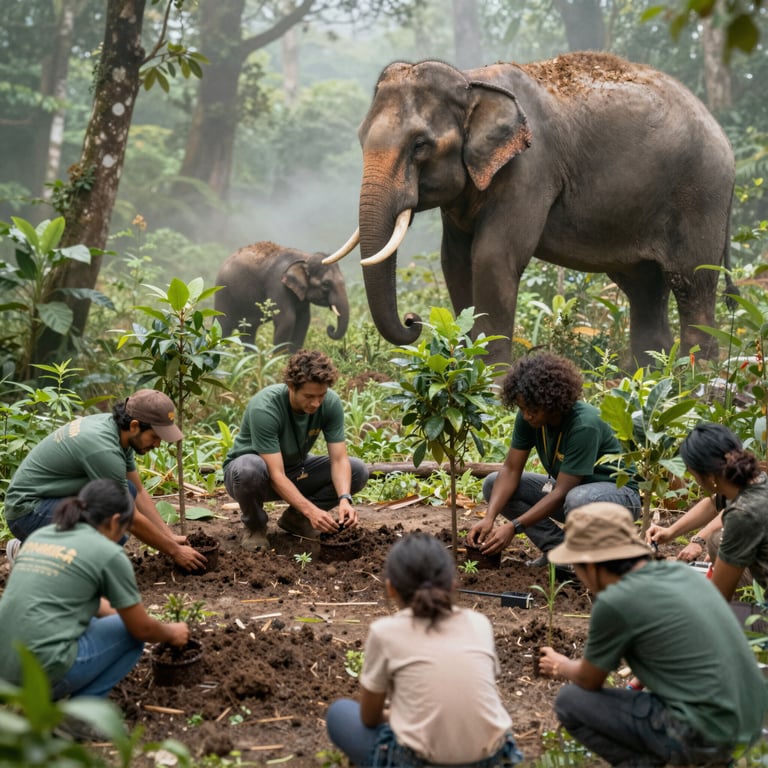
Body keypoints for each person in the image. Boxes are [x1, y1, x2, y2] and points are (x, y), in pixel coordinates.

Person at [537, 502, 767, 768]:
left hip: (705, 735)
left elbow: (589, 679)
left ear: (590, 565)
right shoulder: (682, 574)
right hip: (752, 723)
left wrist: (560, 665)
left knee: (571, 701)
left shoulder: (615, 601)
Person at [325, 532, 523, 767]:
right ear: (453, 584)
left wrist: (398, 715)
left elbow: (369, 718)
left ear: (391, 588)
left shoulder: (385, 632)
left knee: (339, 713)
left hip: (418, 761)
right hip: (494, 758)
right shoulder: (479, 623)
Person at [0, 479, 189, 703]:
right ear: (115, 521)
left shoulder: (41, 536)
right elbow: (142, 630)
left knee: (103, 622)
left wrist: (127, 615)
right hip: (39, 678)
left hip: (4, 677)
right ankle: (82, 715)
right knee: (130, 635)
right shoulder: (107, 552)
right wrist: (171, 632)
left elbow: (83, 601)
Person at [467, 352, 640, 569]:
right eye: (522, 408)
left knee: (577, 498)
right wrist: (489, 518)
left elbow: (561, 493)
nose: (527, 415)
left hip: (619, 497)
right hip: (573, 495)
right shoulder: (529, 419)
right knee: (493, 484)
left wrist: (514, 527)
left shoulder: (583, 424)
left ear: (552, 401)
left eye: (532, 409)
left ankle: (591, 560)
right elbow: (510, 470)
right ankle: (558, 551)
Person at [3, 389, 206, 571]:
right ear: (135, 426)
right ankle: (37, 559)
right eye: (155, 436)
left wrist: (168, 536)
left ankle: (35, 549)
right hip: (27, 511)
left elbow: (138, 490)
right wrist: (174, 551)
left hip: (49, 500)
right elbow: (129, 517)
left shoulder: (118, 432)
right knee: (112, 526)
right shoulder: (102, 448)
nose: (158, 444)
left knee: (127, 491)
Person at [223, 349, 369, 550]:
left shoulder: (330, 403)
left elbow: (339, 460)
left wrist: (344, 498)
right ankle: (255, 527)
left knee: (357, 470)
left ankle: (297, 519)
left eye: (321, 395)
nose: (316, 403)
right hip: (251, 478)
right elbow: (276, 474)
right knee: (249, 468)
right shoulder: (265, 408)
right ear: (291, 387)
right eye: (309, 396)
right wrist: (312, 510)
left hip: (294, 470)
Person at [648, 422, 767, 601]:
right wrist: (670, 532)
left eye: (692, 474)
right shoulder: (757, 480)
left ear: (709, 476)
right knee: (716, 539)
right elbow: (713, 504)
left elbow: (718, 598)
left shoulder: (742, 514)